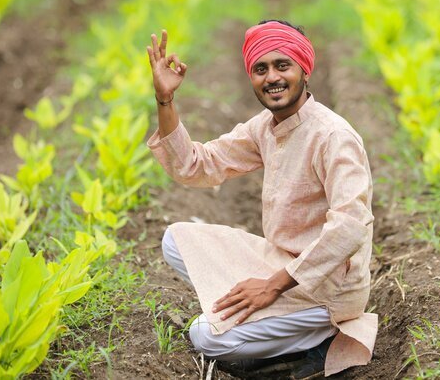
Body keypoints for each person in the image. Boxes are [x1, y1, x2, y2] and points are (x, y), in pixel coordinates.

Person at [145, 20, 377, 378]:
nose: (272, 77)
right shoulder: (264, 128)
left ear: (303, 69)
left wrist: (272, 286)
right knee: (175, 238)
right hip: (281, 262)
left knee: (204, 336)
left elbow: (350, 227)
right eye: (260, 69)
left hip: (326, 286)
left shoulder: (333, 136)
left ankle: (321, 340)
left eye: (282, 65)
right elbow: (195, 165)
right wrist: (165, 98)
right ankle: (274, 328)